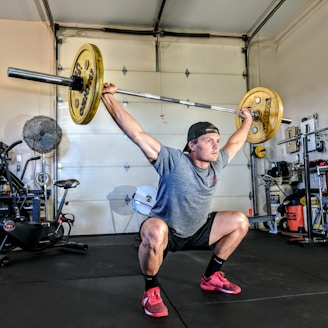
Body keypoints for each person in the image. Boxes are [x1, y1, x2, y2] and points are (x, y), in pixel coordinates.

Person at [102, 82, 252, 318]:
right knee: (154, 231)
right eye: (209, 140)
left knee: (241, 221)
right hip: (166, 229)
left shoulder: (217, 163)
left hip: (199, 229)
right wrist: (107, 97)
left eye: (217, 140)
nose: (216, 145)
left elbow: (236, 142)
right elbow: (136, 133)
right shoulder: (173, 160)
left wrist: (248, 121)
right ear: (192, 145)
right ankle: (151, 290)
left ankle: (211, 276)